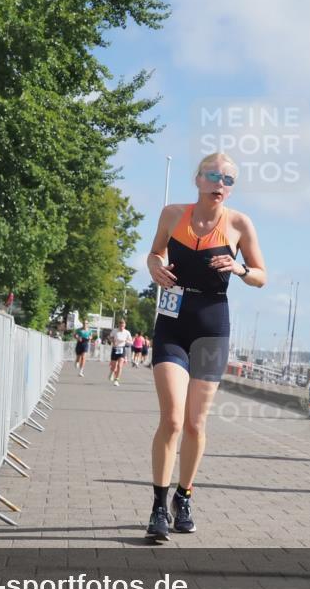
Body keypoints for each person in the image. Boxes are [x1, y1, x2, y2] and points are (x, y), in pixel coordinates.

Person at [144, 152, 266, 540]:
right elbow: (155, 252)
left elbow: (261, 275)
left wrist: (240, 268)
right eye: (213, 176)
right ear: (197, 179)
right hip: (172, 324)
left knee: (196, 424)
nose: (220, 184)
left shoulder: (239, 224)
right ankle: (158, 507)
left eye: (228, 180)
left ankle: (185, 495)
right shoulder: (171, 214)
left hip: (212, 327)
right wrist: (154, 267)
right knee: (173, 419)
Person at [108, 319, 132, 386]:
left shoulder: (127, 332)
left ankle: (116, 380)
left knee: (120, 365)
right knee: (114, 366)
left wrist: (126, 341)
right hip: (115, 349)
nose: (121, 327)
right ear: (119, 325)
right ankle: (112, 371)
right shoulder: (115, 331)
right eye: (120, 325)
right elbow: (110, 337)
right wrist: (113, 341)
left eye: (123, 326)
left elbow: (131, 342)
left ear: (125, 325)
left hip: (122, 349)